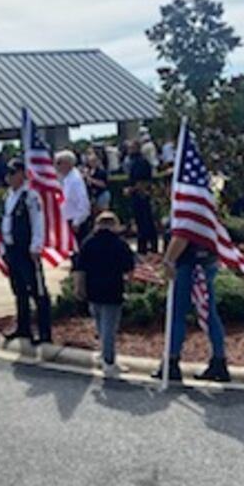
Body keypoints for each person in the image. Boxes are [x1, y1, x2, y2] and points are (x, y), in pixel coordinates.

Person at [152, 230, 230, 384]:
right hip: (208, 261)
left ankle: (172, 361)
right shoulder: (207, 210)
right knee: (209, 312)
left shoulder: (188, 208)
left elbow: (183, 236)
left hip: (187, 263)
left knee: (177, 313)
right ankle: (219, 360)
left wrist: (168, 260)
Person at [75, 211, 135, 376]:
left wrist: (79, 288)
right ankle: (109, 361)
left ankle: (104, 355)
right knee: (109, 328)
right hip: (113, 290)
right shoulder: (120, 244)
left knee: (101, 326)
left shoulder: (88, 243)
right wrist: (128, 284)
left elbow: (80, 269)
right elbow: (129, 269)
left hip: (93, 290)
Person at [0, 158, 51, 344]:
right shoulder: (8, 196)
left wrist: (36, 245)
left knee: (37, 290)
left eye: (13, 173)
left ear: (22, 174)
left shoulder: (30, 196)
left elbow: (38, 221)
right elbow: (4, 221)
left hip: (26, 249)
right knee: (19, 289)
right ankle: (24, 327)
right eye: (8, 174)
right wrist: (2, 246)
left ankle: (44, 331)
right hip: (11, 248)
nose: (10, 177)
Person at [126, 140, 158, 254]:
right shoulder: (134, 162)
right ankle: (144, 247)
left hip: (142, 196)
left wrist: (131, 189)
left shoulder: (140, 162)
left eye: (130, 148)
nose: (128, 150)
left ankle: (148, 248)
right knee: (141, 222)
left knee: (145, 222)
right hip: (138, 196)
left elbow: (143, 181)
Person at [55, 149, 91, 247]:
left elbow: (83, 203)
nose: (56, 167)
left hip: (76, 223)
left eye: (59, 163)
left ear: (68, 163)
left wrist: (77, 221)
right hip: (69, 220)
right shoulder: (67, 179)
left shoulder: (75, 180)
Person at [83, 148, 110, 215]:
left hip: (102, 194)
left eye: (94, 161)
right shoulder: (88, 171)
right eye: (91, 161)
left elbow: (103, 184)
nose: (92, 163)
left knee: (103, 213)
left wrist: (91, 180)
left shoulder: (101, 171)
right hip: (93, 196)